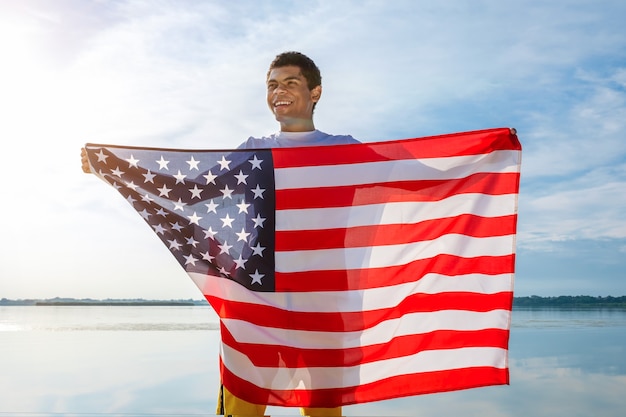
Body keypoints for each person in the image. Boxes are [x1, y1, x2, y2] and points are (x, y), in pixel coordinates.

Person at [81, 51, 358, 416]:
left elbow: (417, 181)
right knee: (241, 411)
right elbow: (188, 188)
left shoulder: (348, 151)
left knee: (323, 413)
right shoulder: (254, 152)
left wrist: (461, 165)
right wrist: (113, 167)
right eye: (272, 85)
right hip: (256, 304)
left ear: (315, 92)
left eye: (290, 83)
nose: (279, 92)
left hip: (321, 304)